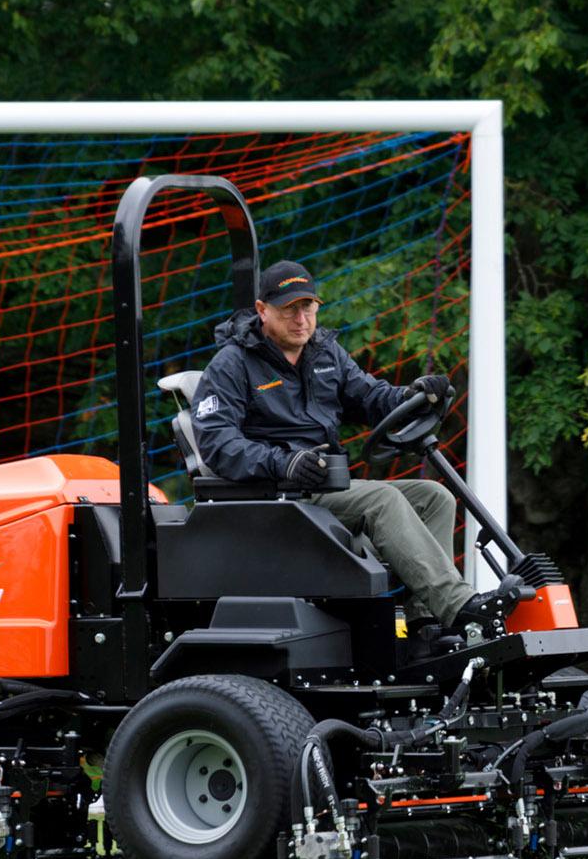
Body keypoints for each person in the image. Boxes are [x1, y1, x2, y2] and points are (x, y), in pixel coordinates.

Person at [189, 259, 522, 634]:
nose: (301, 319)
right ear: (262, 311)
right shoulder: (232, 365)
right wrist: (283, 463)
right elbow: (218, 443)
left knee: (434, 497)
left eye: (307, 308)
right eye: (289, 310)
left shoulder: (324, 354)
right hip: (276, 497)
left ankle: (425, 620)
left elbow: (371, 397)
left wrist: (415, 394)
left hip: (323, 486)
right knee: (382, 499)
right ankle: (460, 608)